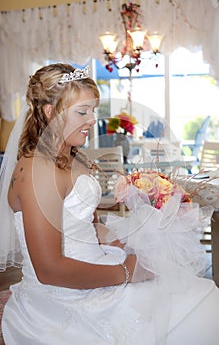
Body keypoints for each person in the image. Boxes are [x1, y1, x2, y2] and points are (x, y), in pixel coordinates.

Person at [0, 63, 219, 345]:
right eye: (82, 112)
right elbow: (49, 269)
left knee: (198, 295)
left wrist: (123, 240)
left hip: (98, 264)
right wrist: (129, 272)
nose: (92, 119)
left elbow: (83, 226)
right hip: (66, 294)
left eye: (93, 110)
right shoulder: (37, 171)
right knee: (199, 305)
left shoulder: (73, 157)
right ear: (50, 112)